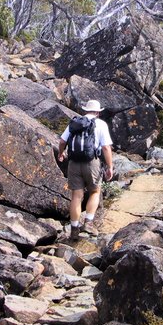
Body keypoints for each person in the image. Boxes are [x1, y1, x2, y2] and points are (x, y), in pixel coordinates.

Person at [57, 99, 114, 240]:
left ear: (85, 110)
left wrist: (60, 153)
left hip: (74, 162)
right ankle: (88, 223)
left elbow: (63, 141)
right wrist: (110, 166)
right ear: (98, 112)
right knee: (95, 191)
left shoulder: (75, 122)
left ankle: (74, 230)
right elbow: (106, 147)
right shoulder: (101, 124)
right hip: (92, 162)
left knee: (77, 196)